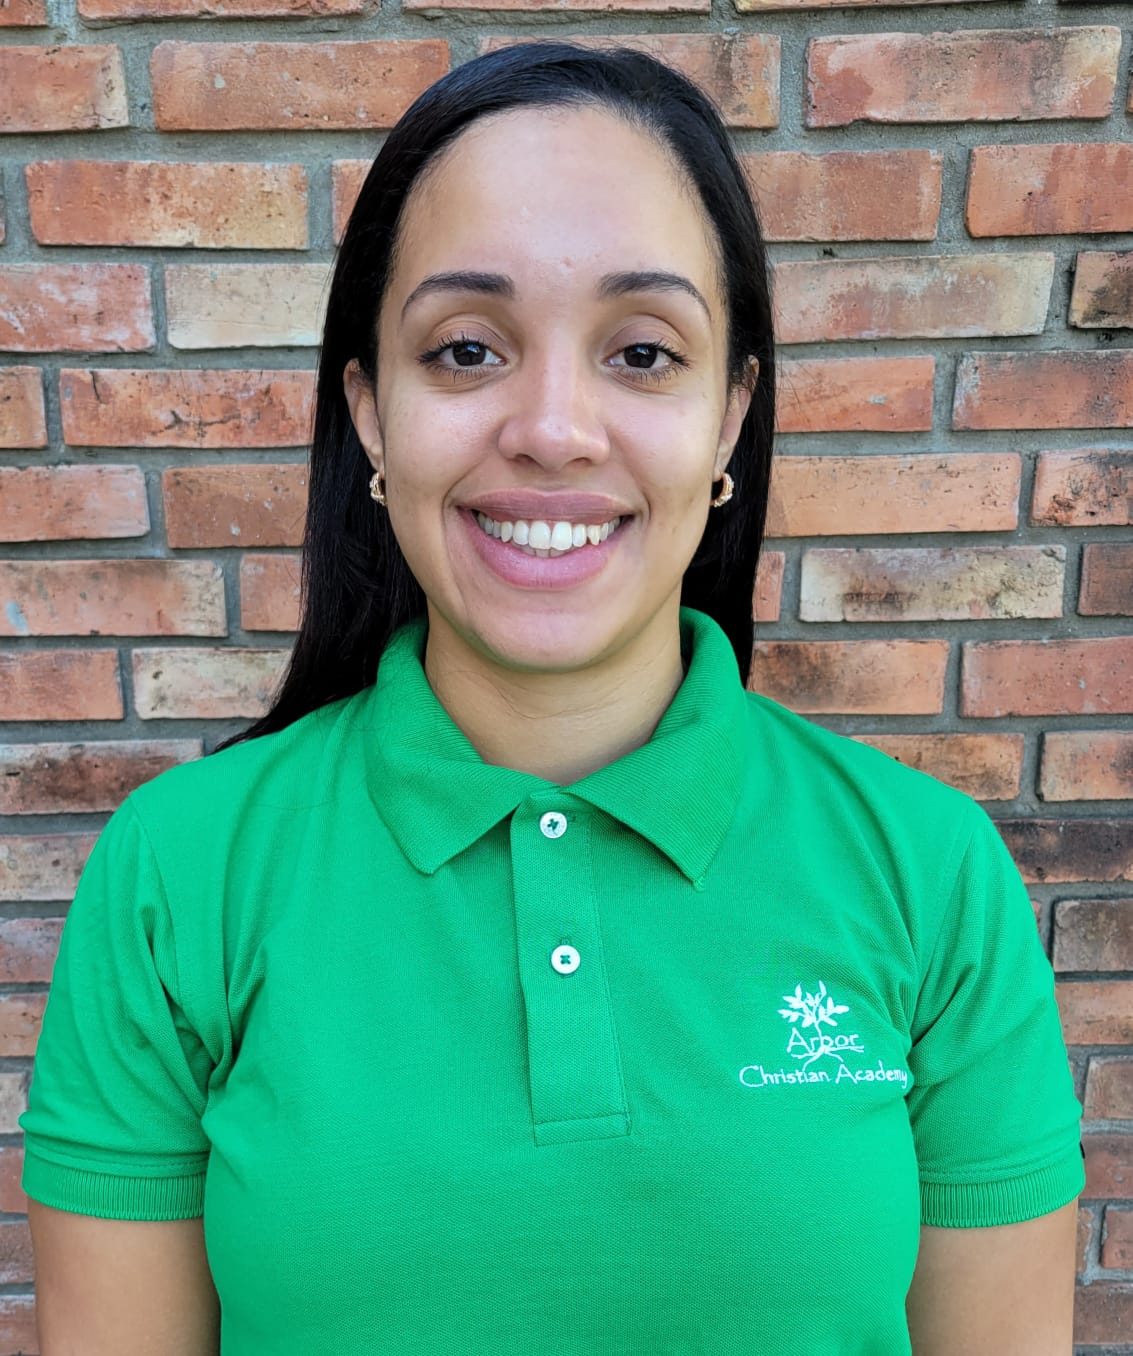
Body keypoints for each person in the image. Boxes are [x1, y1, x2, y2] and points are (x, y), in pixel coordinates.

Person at [21, 43, 1083, 1355]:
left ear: (729, 419)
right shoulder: (180, 874)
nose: (554, 427)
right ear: (371, 412)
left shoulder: (929, 873)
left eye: (642, 352)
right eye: (467, 349)